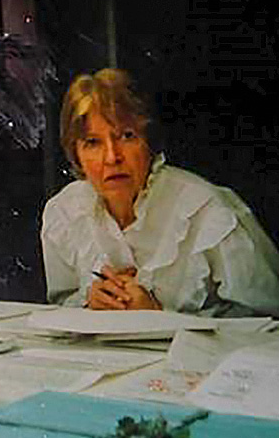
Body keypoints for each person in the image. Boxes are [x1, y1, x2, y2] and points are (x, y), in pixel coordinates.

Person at [41, 68, 279, 315]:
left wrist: (159, 314)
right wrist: (88, 303)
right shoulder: (63, 212)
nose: (112, 157)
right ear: (76, 155)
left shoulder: (206, 211)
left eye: (126, 136)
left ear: (148, 142)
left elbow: (266, 319)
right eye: (92, 142)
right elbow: (60, 304)